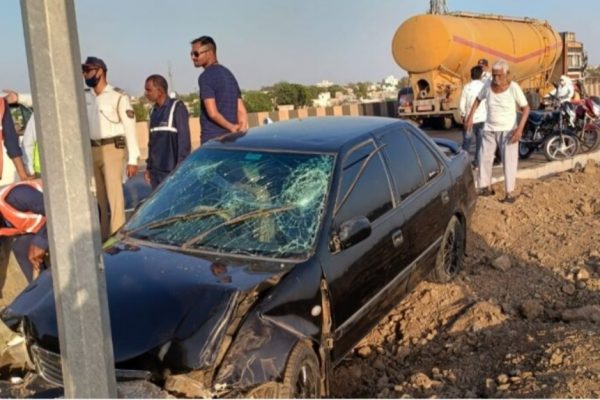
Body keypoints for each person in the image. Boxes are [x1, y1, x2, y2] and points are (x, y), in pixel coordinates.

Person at [82, 56, 140, 240]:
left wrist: (133, 159)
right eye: (84, 71)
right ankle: (103, 238)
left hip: (112, 149)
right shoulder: (84, 96)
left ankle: (116, 238)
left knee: (114, 198)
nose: (85, 75)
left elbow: (130, 128)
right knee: (99, 198)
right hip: (92, 149)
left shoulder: (118, 96)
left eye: (88, 70)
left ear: (100, 71)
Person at [465, 59, 530, 204]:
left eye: (499, 75)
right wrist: (470, 117)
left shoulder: (513, 88)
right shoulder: (488, 85)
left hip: (508, 131)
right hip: (489, 129)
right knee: (484, 158)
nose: (495, 78)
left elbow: (526, 108)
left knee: (509, 162)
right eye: (494, 75)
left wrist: (519, 129)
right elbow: (478, 99)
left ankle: (509, 193)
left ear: (507, 74)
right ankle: (485, 188)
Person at [190, 36, 248, 144]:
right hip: (233, 140)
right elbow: (242, 111)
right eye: (191, 54)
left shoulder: (205, 76)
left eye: (196, 53)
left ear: (210, 52)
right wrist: (239, 130)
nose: (193, 57)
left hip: (213, 141)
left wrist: (231, 127)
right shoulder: (229, 74)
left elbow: (212, 113)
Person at [143, 74, 191, 189]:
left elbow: (184, 141)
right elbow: (151, 143)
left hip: (171, 171)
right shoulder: (153, 112)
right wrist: (149, 168)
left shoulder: (177, 107)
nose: (145, 93)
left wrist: (180, 169)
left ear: (159, 91)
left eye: (149, 90)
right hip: (156, 172)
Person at [0, 180, 48, 282]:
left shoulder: (17, 196)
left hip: (69, 214)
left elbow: (56, 209)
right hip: (42, 229)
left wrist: (40, 241)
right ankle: (41, 287)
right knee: (20, 246)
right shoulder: (2, 225)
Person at [2, 91, 40, 176]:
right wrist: (25, 174)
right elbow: (13, 144)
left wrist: (20, 98)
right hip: (42, 170)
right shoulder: (2, 106)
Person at [459, 65, 486, 168]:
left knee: (466, 143)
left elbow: (462, 104)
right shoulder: (484, 87)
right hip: (482, 119)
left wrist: (463, 116)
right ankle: (477, 163)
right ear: (481, 75)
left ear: (471, 75)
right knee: (480, 144)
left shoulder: (467, 87)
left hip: (469, 120)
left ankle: (463, 165)